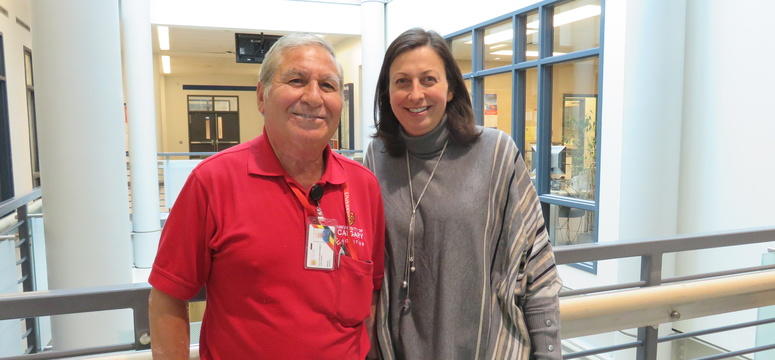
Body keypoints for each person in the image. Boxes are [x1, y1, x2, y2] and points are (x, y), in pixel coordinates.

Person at [148, 33, 385, 359]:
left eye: (328, 86)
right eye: (297, 80)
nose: (314, 97)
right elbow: (168, 296)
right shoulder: (213, 182)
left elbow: (371, 295)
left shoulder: (362, 186)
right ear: (262, 96)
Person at [364, 28, 562, 359]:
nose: (416, 94)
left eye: (428, 80)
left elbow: (536, 264)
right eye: (402, 82)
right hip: (394, 350)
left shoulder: (496, 153)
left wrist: (548, 351)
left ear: (451, 88)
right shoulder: (376, 157)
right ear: (387, 91)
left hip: (484, 347)